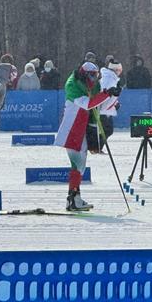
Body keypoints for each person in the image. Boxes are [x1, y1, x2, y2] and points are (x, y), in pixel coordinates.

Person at [55, 61, 121, 211]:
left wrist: (112, 101)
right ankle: (73, 199)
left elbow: (98, 104)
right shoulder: (73, 85)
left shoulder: (92, 84)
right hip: (72, 129)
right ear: (84, 74)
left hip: (82, 128)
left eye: (96, 75)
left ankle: (74, 198)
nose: (94, 78)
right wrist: (107, 94)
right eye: (92, 75)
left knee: (80, 166)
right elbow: (89, 104)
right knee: (78, 165)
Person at [86, 60, 122, 153]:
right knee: (104, 130)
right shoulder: (108, 78)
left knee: (107, 130)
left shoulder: (113, 78)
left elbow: (111, 95)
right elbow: (104, 93)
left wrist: (115, 103)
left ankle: (96, 147)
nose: (119, 72)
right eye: (118, 70)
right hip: (102, 110)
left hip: (107, 109)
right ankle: (95, 148)